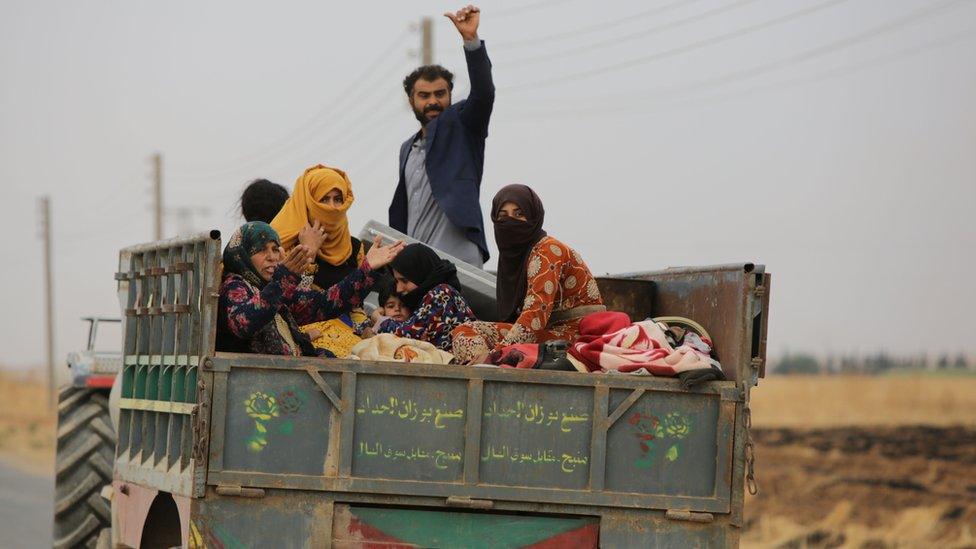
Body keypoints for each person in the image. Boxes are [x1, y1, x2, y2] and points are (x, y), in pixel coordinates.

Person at [389, 5, 494, 267]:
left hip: (459, 260)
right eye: (424, 96)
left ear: (450, 95)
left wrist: (471, 41)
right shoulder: (407, 148)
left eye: (440, 94)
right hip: (418, 262)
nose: (433, 102)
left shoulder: (464, 127)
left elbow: (483, 94)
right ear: (411, 100)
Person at [451, 185, 605, 364]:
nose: (510, 222)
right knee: (465, 332)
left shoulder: (547, 250)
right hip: (545, 334)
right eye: (503, 216)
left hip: (575, 336)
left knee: (474, 336)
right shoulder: (517, 258)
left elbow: (535, 316)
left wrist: (496, 356)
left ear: (533, 216)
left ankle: (487, 371)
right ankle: (483, 371)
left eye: (518, 214)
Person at [216, 221, 403, 356]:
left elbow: (326, 303)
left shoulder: (272, 288)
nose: (272, 257)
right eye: (261, 250)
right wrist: (283, 280)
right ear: (243, 255)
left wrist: (367, 268)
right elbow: (243, 323)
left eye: (275, 249)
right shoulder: (234, 286)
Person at [373, 243, 475, 351]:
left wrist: (379, 320)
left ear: (420, 273)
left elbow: (408, 334)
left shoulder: (442, 293)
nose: (399, 289)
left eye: (404, 280)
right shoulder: (425, 300)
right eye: (397, 281)